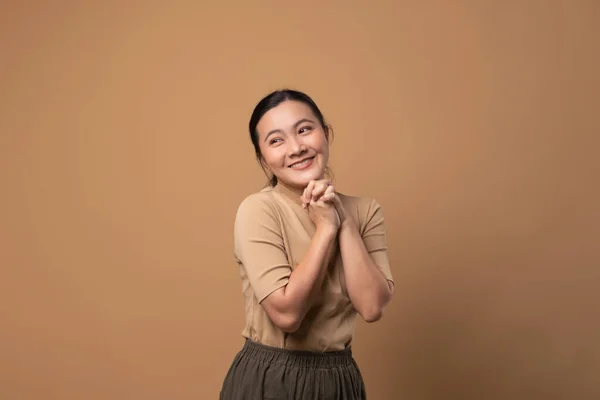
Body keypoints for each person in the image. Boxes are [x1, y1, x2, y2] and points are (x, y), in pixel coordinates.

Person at [220, 89, 395, 399]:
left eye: (304, 130)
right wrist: (326, 228)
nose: (296, 148)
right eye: (276, 140)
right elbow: (287, 315)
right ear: (263, 158)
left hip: (340, 380)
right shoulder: (259, 210)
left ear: (325, 133)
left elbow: (371, 307)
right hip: (272, 377)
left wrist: (343, 221)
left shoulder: (366, 211)